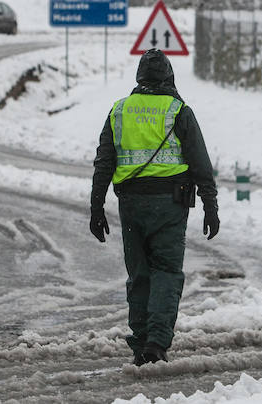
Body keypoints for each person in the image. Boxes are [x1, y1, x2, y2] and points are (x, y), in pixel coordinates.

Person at [90, 48, 220, 366]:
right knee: (166, 272)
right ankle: (157, 342)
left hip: (131, 205)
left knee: (139, 274)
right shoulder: (178, 110)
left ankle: (140, 342)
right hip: (170, 205)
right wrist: (210, 204)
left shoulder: (119, 110)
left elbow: (104, 162)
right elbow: (200, 161)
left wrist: (96, 206)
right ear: (169, 76)